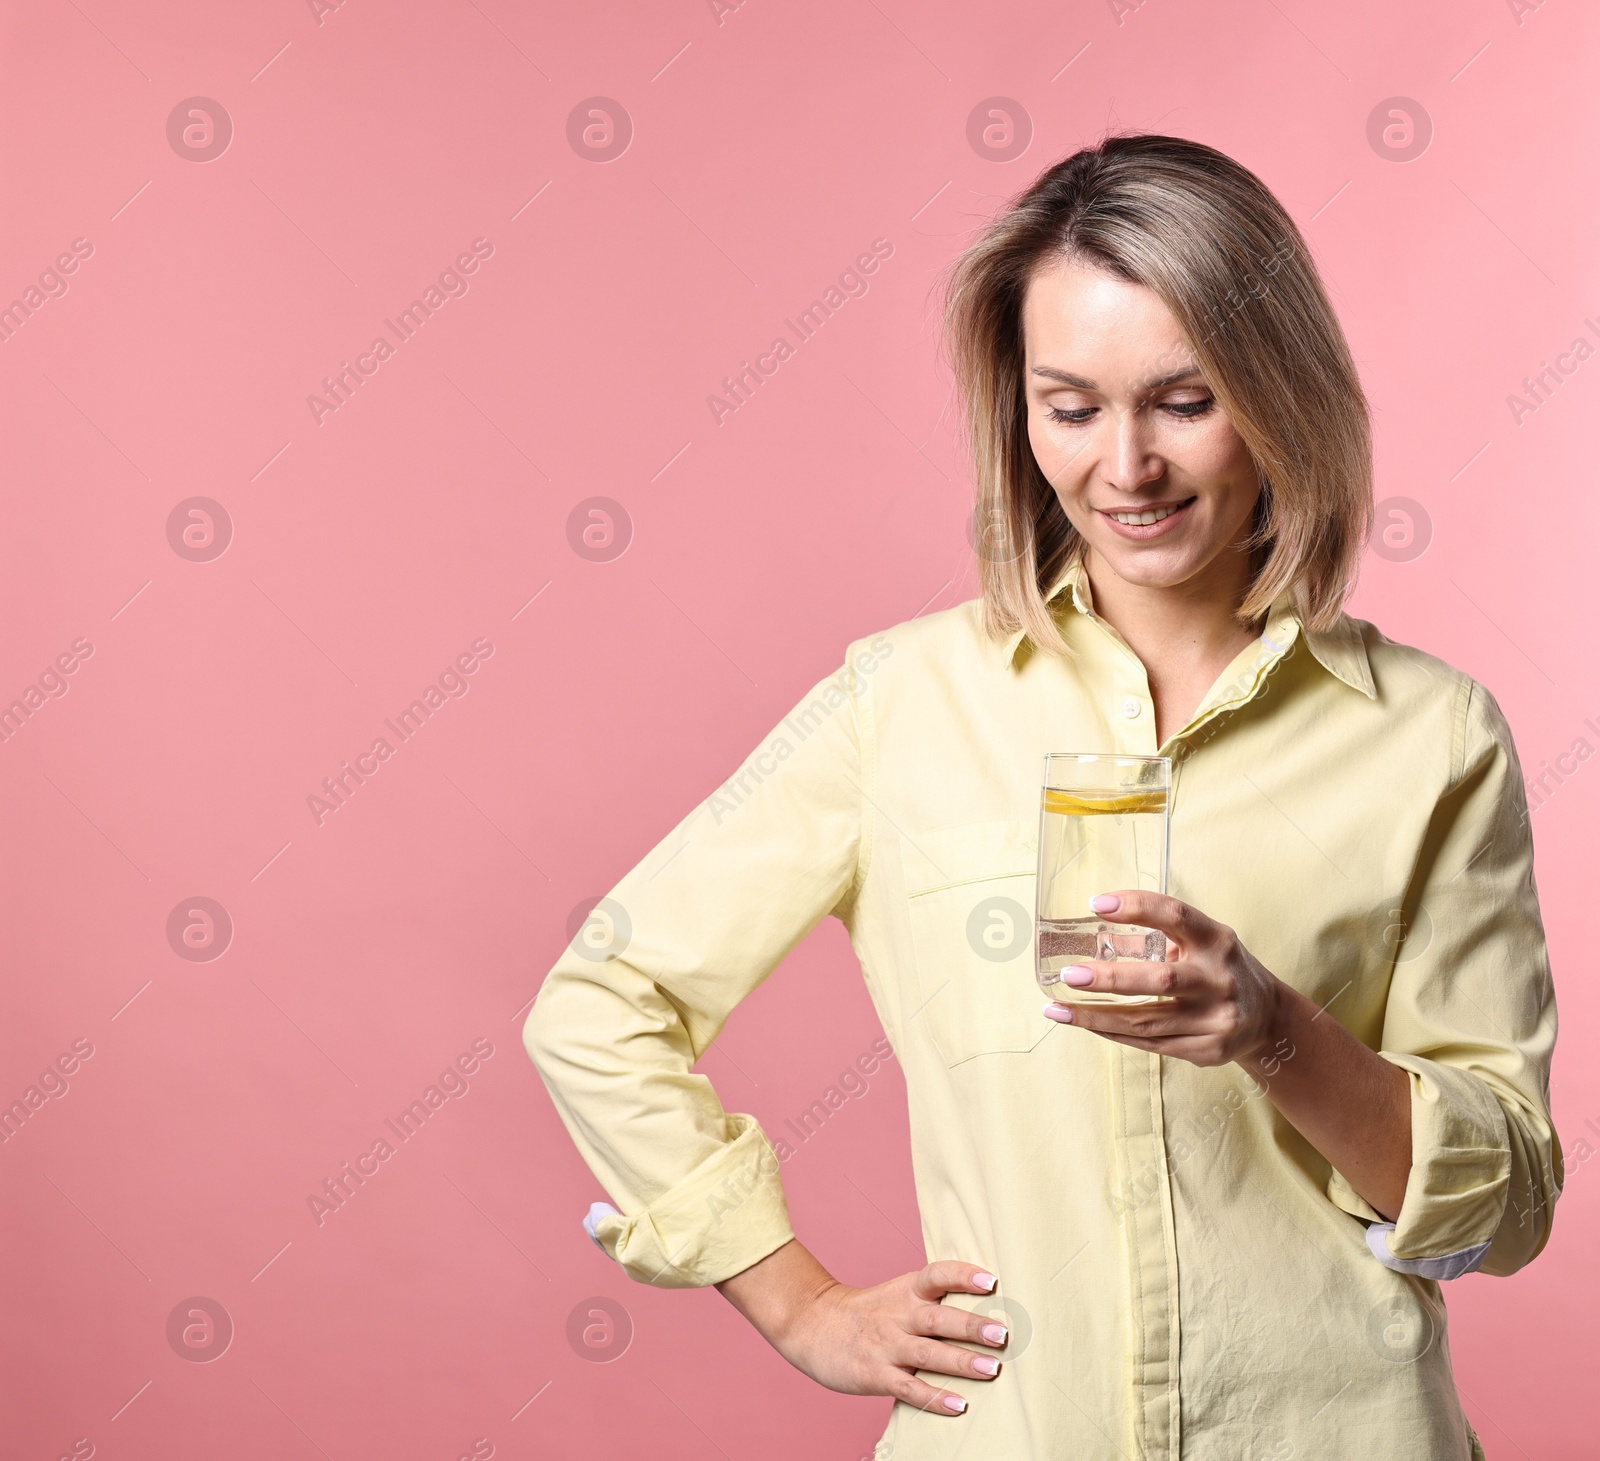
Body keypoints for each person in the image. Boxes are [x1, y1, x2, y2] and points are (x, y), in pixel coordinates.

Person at [525, 134, 1560, 1459]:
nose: (1124, 465)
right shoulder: (899, 703)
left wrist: (1272, 1028)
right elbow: (601, 999)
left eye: (1184, 400)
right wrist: (799, 1303)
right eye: (1071, 406)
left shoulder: (1429, 735)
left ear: (1278, 393)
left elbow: (1507, 1202)